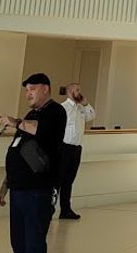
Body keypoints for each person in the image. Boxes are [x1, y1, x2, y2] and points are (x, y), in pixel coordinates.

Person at [0, 73, 67, 253]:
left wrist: (16, 122)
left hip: (38, 189)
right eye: (27, 90)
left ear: (45, 89)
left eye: (32, 89)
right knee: (18, 242)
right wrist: (6, 183)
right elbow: (18, 149)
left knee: (34, 242)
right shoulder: (31, 114)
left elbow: (40, 130)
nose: (28, 94)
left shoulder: (56, 112)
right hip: (18, 187)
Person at [56, 80, 95, 220]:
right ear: (70, 91)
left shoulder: (81, 108)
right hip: (64, 148)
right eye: (77, 90)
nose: (79, 92)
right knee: (57, 180)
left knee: (69, 180)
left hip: (76, 148)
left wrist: (85, 103)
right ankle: (48, 208)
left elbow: (92, 116)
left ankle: (65, 210)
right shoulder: (63, 107)